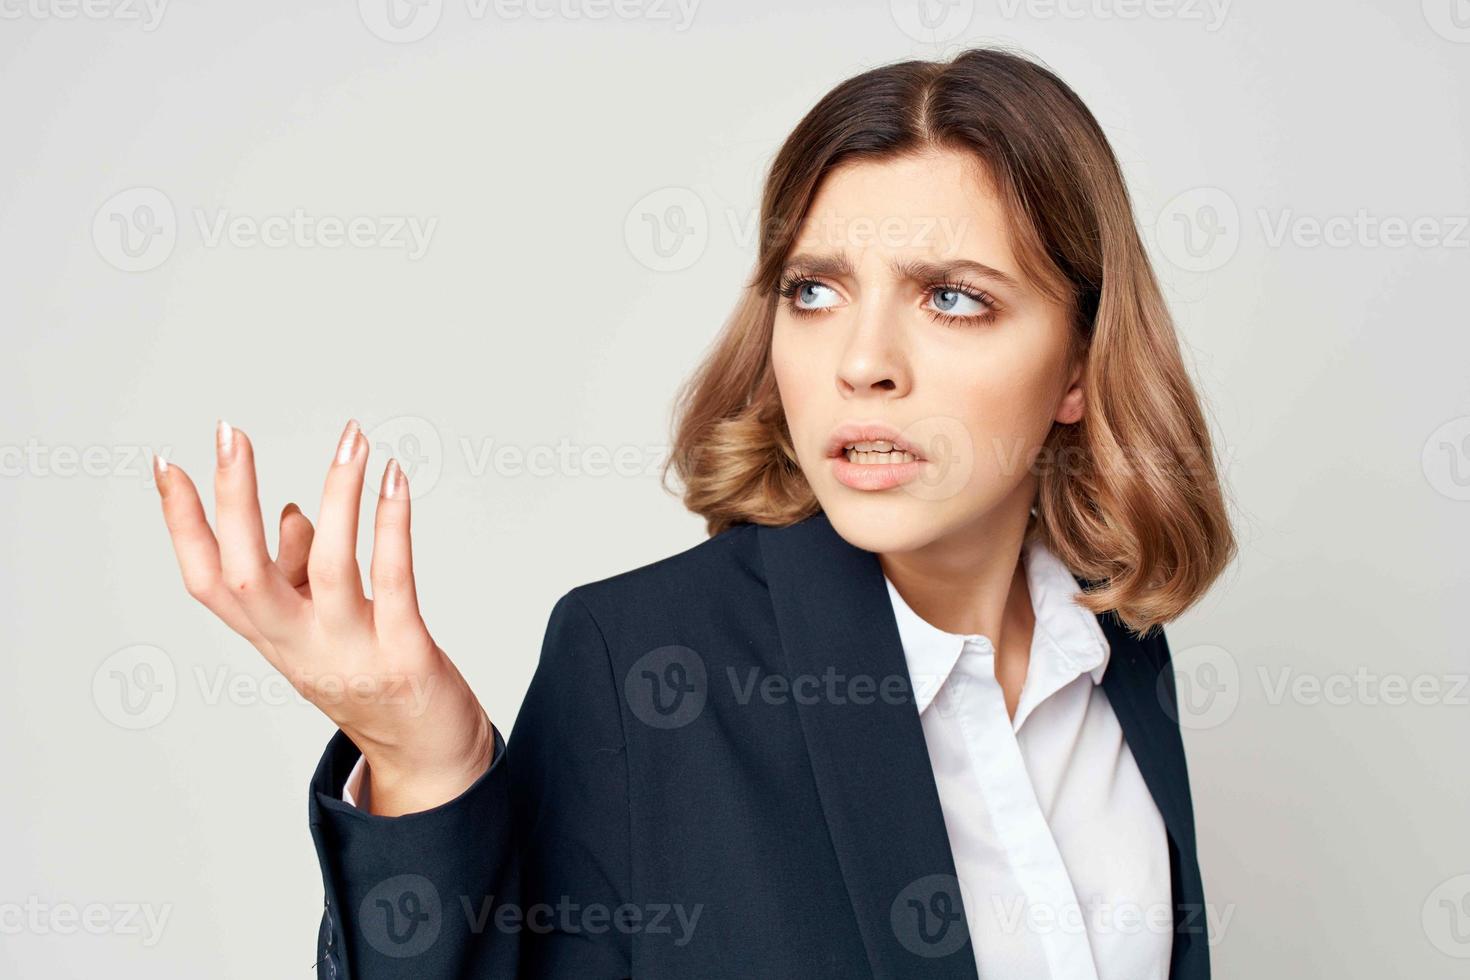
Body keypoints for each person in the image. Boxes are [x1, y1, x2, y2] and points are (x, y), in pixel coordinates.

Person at [153, 46, 1235, 980]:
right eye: (813, 291)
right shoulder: (640, 663)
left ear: (1079, 369)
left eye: (952, 296)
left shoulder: (1121, 652)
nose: (861, 362)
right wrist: (425, 770)